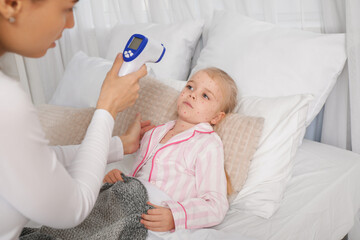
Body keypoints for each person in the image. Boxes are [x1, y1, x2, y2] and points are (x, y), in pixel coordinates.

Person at [0, 0, 150, 239]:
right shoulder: (6, 101)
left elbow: (39, 160)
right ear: (11, 4)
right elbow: (74, 208)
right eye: (68, 8)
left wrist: (119, 145)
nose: (71, 23)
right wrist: (107, 108)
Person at [104, 67, 238, 232]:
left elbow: (216, 205)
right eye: (190, 87)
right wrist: (119, 180)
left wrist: (175, 216)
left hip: (155, 219)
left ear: (217, 117)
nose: (192, 94)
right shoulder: (153, 133)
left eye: (205, 95)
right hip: (127, 205)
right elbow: (140, 177)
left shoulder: (207, 143)